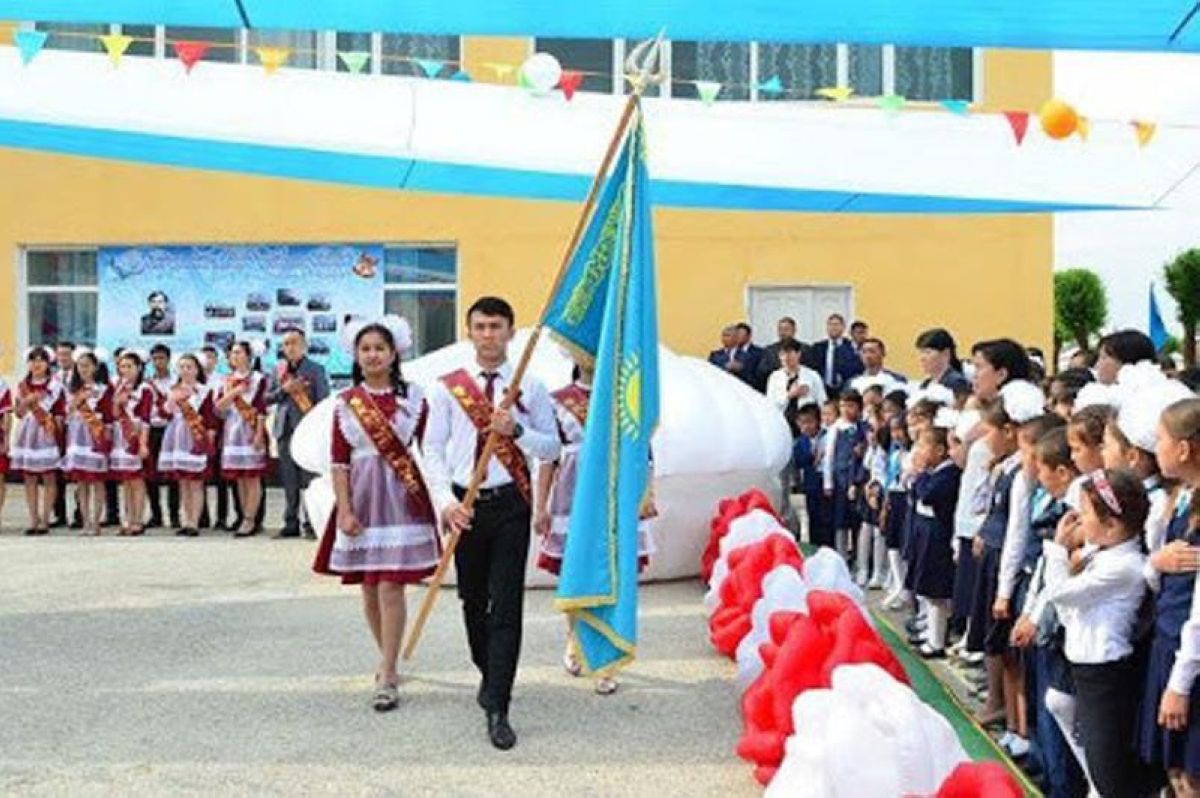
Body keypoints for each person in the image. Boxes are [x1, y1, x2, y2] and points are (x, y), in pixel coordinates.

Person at [422, 296, 560, 751]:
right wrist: (445, 503)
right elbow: (434, 450)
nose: (487, 335)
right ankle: (490, 672)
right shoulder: (447, 388)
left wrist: (516, 431)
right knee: (472, 600)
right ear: (469, 332)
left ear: (510, 332)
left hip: (511, 506)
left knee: (506, 606)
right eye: (480, 326)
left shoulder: (531, 387)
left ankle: (499, 703)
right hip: (466, 504)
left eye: (496, 326)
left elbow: (551, 450)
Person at [312, 316, 440, 713]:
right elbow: (339, 461)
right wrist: (345, 509)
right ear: (356, 354)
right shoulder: (346, 403)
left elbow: (430, 451)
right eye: (365, 349)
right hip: (363, 498)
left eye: (379, 348)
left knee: (391, 585)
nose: (372, 355)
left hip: (401, 495)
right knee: (368, 586)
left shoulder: (415, 398)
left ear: (394, 353)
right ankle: (388, 655)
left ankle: (387, 670)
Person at [534, 358, 655, 696]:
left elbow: (643, 451)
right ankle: (575, 639)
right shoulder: (558, 400)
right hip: (571, 497)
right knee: (575, 573)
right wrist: (540, 505)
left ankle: (607, 660)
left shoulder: (624, 395)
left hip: (615, 495)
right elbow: (548, 458)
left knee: (614, 576)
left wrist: (646, 494)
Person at [1045, 469, 1152, 798]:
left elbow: (1060, 593)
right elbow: (1069, 610)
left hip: (1106, 674)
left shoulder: (1125, 565)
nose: (1077, 520)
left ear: (1112, 525)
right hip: (1086, 669)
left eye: (1085, 513)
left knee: (1111, 772)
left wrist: (1058, 549)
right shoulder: (1102, 555)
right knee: (1098, 759)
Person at [1140, 398, 1200, 794]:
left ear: (1183, 448)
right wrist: (1156, 562)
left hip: (1189, 655)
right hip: (1169, 642)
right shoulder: (1178, 499)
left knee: (1191, 775)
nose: (1154, 447)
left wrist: (1180, 683)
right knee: (1175, 769)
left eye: (1160, 439)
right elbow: (1154, 573)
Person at [268, 328, 330, 539]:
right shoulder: (278, 370)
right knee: (288, 477)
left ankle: (311, 522)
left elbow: (323, 402)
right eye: (286, 344)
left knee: (309, 478)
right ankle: (290, 522)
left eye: (294, 343)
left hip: (308, 430)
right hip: (284, 428)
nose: (290, 348)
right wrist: (285, 390)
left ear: (304, 346)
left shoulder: (316, 369)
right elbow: (267, 398)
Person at [909, 424, 963, 658]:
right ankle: (929, 631)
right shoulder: (934, 473)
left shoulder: (948, 474)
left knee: (936, 592)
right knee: (927, 591)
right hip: (924, 532)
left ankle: (937, 640)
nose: (918, 451)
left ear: (940, 450)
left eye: (923, 445)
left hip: (938, 536)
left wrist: (920, 475)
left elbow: (928, 495)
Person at [157, 353, 216, 537]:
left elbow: (209, 416)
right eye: (182, 367)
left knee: (196, 481)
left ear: (197, 369)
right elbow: (163, 414)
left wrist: (208, 438)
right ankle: (186, 519)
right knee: (183, 481)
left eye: (189, 367)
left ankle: (194, 522)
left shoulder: (204, 390)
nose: (185, 370)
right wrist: (171, 401)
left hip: (195, 434)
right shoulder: (172, 390)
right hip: (176, 434)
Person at [215, 341, 269, 538]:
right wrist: (235, 393)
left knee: (253, 476)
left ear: (248, 355)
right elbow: (219, 408)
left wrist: (259, 433)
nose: (234, 356)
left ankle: (250, 519)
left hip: (252, 428)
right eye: (232, 353)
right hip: (232, 430)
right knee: (239, 477)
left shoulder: (258, 379)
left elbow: (262, 409)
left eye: (238, 352)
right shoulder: (226, 380)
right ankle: (243, 515)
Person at [59, 349, 113, 537]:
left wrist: (105, 436)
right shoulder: (71, 389)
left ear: (95, 367)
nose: (83, 369)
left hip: (95, 433)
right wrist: (76, 403)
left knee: (97, 480)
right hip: (76, 434)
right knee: (81, 482)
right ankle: (86, 522)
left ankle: (97, 522)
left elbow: (108, 415)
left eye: (87, 365)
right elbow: (65, 413)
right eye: (80, 365)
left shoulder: (104, 388)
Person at [11, 347, 64, 535]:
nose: (37, 364)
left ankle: (45, 518)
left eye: (41, 360)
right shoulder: (22, 385)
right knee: (29, 477)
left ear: (48, 363)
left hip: (46, 431)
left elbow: (59, 411)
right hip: (27, 432)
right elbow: (18, 413)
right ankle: (33, 519)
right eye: (33, 360)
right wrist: (26, 402)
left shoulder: (55, 385)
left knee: (49, 476)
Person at [109, 350, 154, 536]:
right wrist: (117, 402)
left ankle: (138, 519)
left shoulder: (145, 389)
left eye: (129, 366)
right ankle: (127, 518)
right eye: (122, 366)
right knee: (125, 480)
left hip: (136, 432)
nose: (125, 370)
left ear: (139, 368)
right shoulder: (117, 386)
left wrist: (143, 443)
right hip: (121, 433)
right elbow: (113, 414)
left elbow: (145, 418)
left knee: (137, 479)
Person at [823, 389, 869, 560]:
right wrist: (828, 483)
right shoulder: (836, 428)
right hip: (840, 480)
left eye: (851, 406)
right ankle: (841, 555)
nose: (846, 410)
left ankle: (858, 556)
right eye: (842, 406)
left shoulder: (863, 428)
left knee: (857, 519)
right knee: (840, 521)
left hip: (858, 480)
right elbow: (829, 456)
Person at [146, 344, 180, 530]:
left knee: (173, 475)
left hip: (172, 430)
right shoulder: (147, 383)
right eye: (155, 358)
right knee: (151, 475)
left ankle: (174, 514)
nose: (158, 362)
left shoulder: (176, 382)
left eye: (162, 358)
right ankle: (156, 514)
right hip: (152, 430)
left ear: (168, 359)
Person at [765, 339, 826, 434]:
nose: (785, 358)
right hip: (783, 423)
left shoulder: (812, 375)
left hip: (807, 425)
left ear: (798, 354)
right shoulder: (774, 377)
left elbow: (822, 401)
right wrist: (789, 395)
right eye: (782, 354)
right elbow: (770, 405)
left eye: (789, 353)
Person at [806, 314, 863, 398]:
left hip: (846, 391)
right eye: (830, 325)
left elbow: (857, 369)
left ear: (843, 327)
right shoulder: (817, 347)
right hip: (823, 390)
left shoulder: (851, 347)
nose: (833, 328)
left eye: (836, 325)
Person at [915, 328, 971, 395]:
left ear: (946, 354)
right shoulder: (926, 383)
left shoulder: (956, 383)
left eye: (928, 352)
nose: (922, 358)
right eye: (921, 352)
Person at [756, 316, 799, 385]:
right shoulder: (769, 350)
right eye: (780, 329)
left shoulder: (804, 349)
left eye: (786, 329)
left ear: (794, 330)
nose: (782, 333)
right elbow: (761, 372)